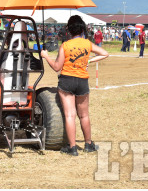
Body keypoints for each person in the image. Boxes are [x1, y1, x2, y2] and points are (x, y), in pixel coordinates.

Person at [40, 15, 109, 156]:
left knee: (70, 115)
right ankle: (88, 144)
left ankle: (72, 147)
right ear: (82, 28)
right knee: (84, 115)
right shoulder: (87, 44)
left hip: (67, 81)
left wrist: (46, 56)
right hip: (82, 81)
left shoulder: (65, 45)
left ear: (69, 30)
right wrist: (89, 61)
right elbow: (104, 53)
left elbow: (57, 67)